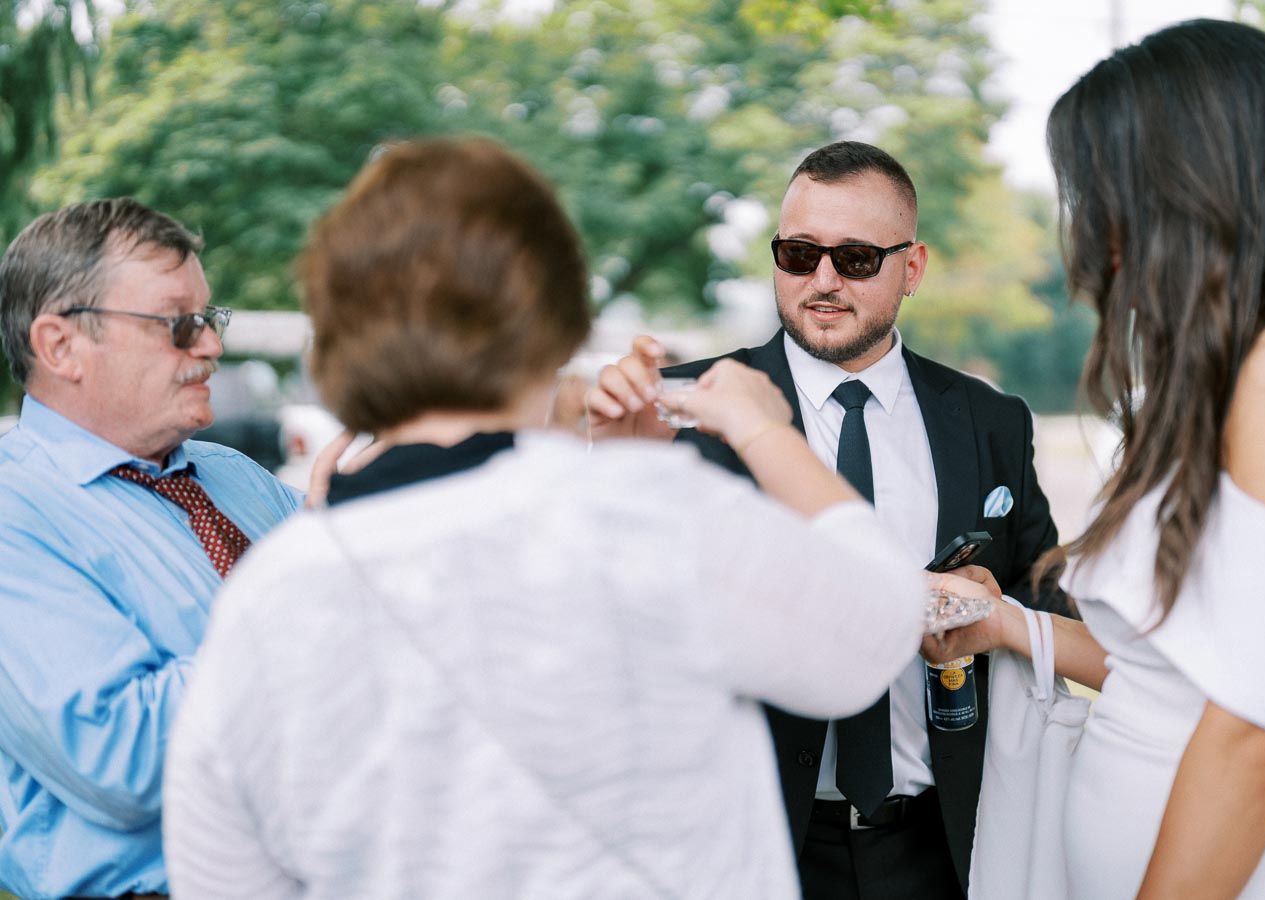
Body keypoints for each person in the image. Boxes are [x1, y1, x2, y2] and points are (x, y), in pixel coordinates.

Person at [162, 137, 990, 898]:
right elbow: (877, 618)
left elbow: (222, 871)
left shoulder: (266, 597)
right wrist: (763, 429)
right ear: (552, 319)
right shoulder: (654, 516)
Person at [926, 18, 1265, 899]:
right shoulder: (1218, 376)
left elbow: (1256, 734)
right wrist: (1008, 623)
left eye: (1106, 196)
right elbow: (1173, 672)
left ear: (1195, 192)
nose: (1095, 241)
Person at [585, 140, 1067, 899]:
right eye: (799, 253)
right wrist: (595, 443)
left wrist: (993, 605)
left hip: (941, 844)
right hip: (748, 847)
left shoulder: (989, 420)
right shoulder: (674, 408)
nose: (823, 281)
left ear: (912, 267)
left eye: (856, 260)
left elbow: (1050, 608)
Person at [0, 199, 304, 899]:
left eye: (209, 318)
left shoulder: (237, 480)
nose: (211, 347)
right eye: (178, 324)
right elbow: (124, 758)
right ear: (61, 347)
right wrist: (315, 614)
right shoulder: (14, 516)